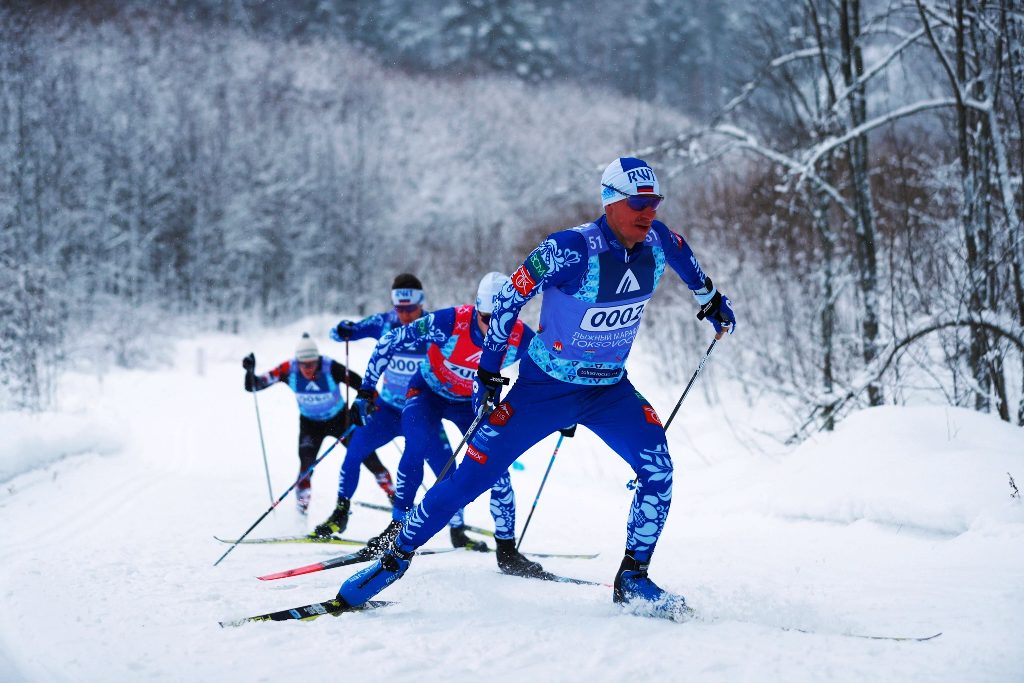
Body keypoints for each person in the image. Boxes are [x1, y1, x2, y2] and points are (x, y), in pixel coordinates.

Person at [335, 158, 737, 620]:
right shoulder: (569, 249)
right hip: (544, 388)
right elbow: (509, 298)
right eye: (638, 203)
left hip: (609, 390)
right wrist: (488, 373)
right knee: (470, 479)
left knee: (658, 469)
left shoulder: (660, 240)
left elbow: (685, 257)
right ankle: (394, 558)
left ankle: (633, 578)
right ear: (610, 202)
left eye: (654, 202)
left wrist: (708, 297)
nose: (648, 212)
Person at [347, 272, 546, 576]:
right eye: (486, 318)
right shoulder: (450, 322)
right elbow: (390, 340)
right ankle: (398, 524)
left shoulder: (522, 338)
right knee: (418, 445)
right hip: (427, 394)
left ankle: (506, 551)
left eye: (504, 319)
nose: (495, 328)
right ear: (476, 310)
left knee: (498, 471)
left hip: (472, 404)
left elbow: (550, 374)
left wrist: (562, 409)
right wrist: (365, 390)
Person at [312, 274, 485, 552]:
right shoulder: (384, 323)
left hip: (423, 410)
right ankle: (340, 514)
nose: (404, 315)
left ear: (421, 304)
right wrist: (343, 329)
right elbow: (341, 333)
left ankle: (458, 530)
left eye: (410, 309)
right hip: (389, 410)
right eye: (399, 309)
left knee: (447, 470)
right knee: (353, 453)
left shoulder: (436, 327)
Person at [243, 333, 395, 515]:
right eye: (304, 365)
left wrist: (372, 404)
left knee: (369, 458)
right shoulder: (287, 369)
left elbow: (361, 384)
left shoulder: (330, 367)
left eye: (312, 364)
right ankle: (301, 512)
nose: (308, 369)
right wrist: (249, 372)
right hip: (310, 425)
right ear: (297, 362)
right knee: (305, 468)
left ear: (318, 360)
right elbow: (254, 386)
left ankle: (395, 498)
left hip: (340, 421)